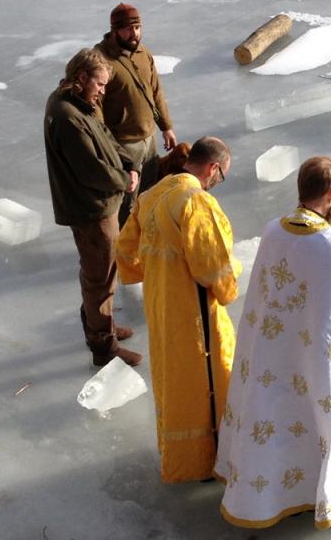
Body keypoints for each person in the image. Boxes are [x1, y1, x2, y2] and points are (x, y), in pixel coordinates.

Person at [215, 156, 331, 530]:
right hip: (314, 354)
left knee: (279, 416)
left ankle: (281, 495)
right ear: (330, 194)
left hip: (272, 351)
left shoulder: (272, 231)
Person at [116, 136, 240, 483]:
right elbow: (215, 269)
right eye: (222, 175)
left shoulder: (151, 195)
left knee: (173, 383)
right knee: (205, 383)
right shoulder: (195, 202)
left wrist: (155, 273)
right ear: (212, 168)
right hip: (194, 313)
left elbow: (126, 252)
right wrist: (230, 287)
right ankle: (206, 461)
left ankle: (180, 458)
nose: (218, 182)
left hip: (161, 306)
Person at [43, 48, 143, 367]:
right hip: (92, 209)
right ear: (82, 77)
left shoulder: (82, 104)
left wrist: (129, 163)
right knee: (99, 275)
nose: (102, 91)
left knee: (104, 271)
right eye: (99, 84)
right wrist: (122, 180)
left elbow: (106, 139)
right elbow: (90, 169)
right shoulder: (66, 116)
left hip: (102, 202)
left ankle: (103, 326)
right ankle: (103, 346)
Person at [95, 2, 177, 227]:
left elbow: (156, 90)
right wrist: (110, 149)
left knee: (149, 193)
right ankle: (126, 249)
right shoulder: (102, 60)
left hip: (148, 140)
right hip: (123, 146)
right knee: (126, 205)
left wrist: (166, 126)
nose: (135, 34)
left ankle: (148, 239)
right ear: (114, 30)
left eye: (138, 28)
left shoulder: (143, 53)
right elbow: (95, 111)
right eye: (128, 29)